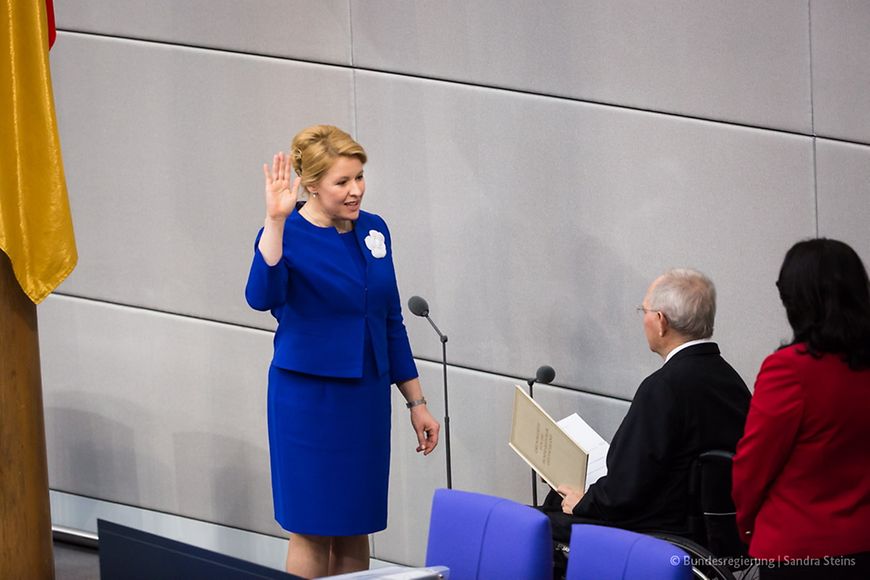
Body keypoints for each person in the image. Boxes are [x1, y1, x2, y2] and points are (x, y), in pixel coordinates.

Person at [245, 125, 440, 578]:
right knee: (312, 527)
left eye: (359, 178)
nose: (356, 191)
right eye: (342, 182)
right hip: (309, 401)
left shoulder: (375, 229)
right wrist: (274, 223)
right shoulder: (285, 231)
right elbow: (261, 295)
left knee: (356, 524)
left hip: (365, 397)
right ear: (311, 185)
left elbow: (390, 318)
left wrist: (417, 402)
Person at [543, 269, 750, 548]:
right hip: (712, 531)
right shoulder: (731, 381)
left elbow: (624, 492)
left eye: (645, 310)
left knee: (538, 519)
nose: (643, 319)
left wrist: (584, 503)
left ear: (661, 321)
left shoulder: (664, 387)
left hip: (658, 530)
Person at [732, 239, 870, 579]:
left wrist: (748, 529)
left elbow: (753, 466)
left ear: (798, 302)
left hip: (798, 550)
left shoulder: (789, 370)